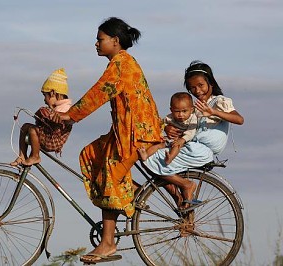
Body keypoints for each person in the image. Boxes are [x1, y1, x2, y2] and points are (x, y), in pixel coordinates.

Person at [51, 17, 163, 264]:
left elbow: (98, 93)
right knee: (92, 153)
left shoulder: (121, 64)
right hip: (125, 132)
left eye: (100, 39)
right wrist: (72, 116)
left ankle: (108, 243)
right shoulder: (120, 63)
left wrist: (71, 115)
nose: (96, 43)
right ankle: (130, 193)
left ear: (115, 41)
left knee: (108, 173)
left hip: (137, 134)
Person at [142, 60, 244, 210]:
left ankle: (185, 186)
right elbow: (185, 126)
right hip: (192, 147)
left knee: (149, 158)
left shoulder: (219, 102)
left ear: (211, 83)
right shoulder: (194, 107)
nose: (197, 91)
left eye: (201, 85)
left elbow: (239, 119)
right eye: (192, 88)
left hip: (202, 150)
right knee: (154, 157)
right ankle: (184, 204)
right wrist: (169, 128)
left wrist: (213, 112)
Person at [11, 68, 73, 166]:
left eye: (45, 96)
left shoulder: (65, 108)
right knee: (25, 127)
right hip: (48, 135)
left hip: (53, 140)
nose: (44, 100)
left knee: (32, 130)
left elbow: (61, 121)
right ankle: (22, 155)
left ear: (53, 93)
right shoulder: (56, 107)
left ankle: (35, 156)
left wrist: (46, 115)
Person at [138, 92, 198, 165]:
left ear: (191, 110)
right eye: (177, 111)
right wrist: (165, 127)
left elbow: (191, 132)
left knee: (176, 146)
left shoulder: (192, 118)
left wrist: (182, 140)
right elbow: (161, 124)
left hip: (182, 140)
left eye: (184, 111)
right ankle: (146, 155)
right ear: (171, 110)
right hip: (170, 139)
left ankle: (170, 158)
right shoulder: (170, 117)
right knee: (158, 145)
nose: (181, 115)